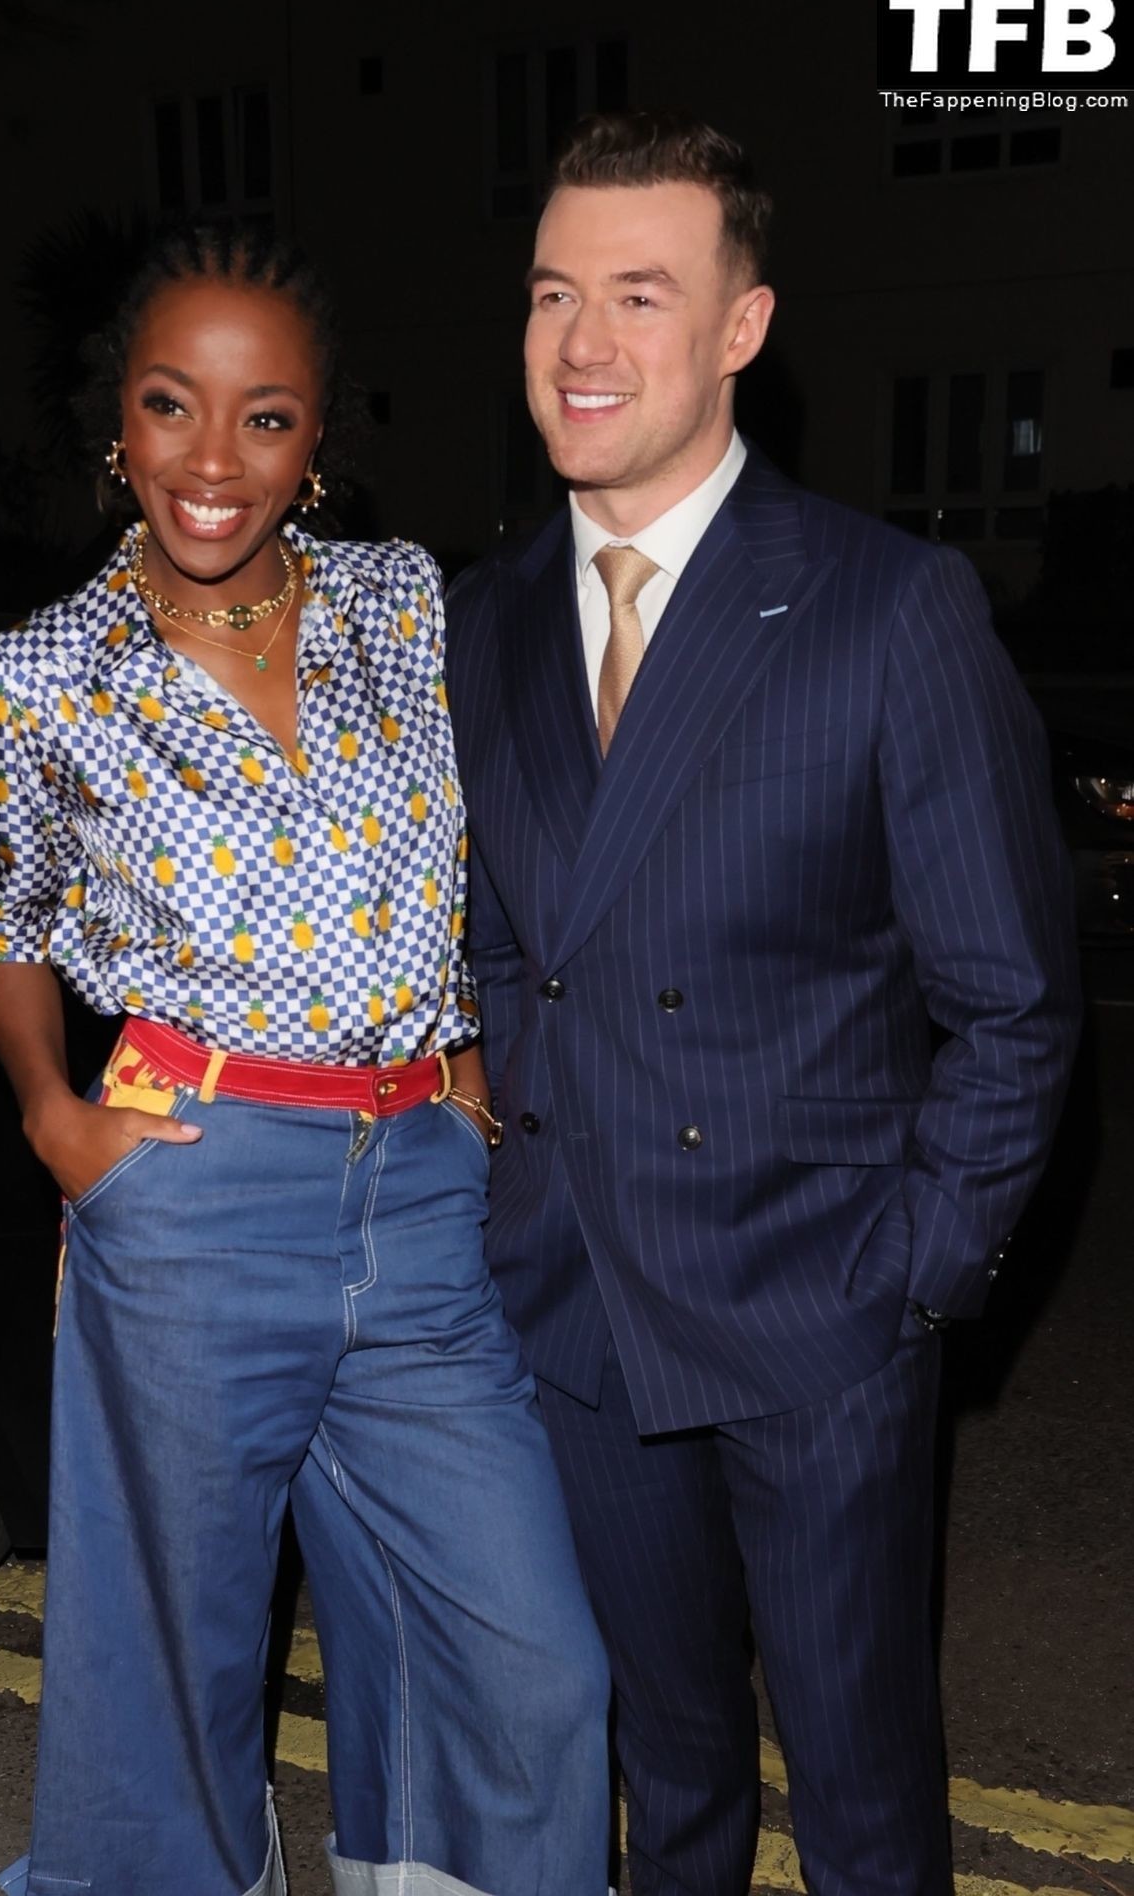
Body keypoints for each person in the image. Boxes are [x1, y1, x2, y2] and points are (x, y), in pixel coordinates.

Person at [0, 216, 610, 1896]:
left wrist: (463, 1069)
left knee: (528, 1664)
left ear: (319, 447)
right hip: (194, 1190)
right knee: (167, 1659)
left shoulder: (404, 606)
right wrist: (51, 1117)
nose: (211, 461)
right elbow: (7, 927)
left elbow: (485, 857)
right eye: (171, 405)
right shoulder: (29, 682)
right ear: (118, 423)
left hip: (421, 1201)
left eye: (265, 418)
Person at [446, 110, 1081, 1896]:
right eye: (552, 292)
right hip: (581, 1305)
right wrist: (521, 1158)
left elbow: (1014, 1004)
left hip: (819, 1312)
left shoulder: (887, 605)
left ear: (740, 326)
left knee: (863, 1801)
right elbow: (501, 938)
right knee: (668, 1769)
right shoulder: (484, 618)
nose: (581, 343)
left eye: (638, 294)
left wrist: (911, 1277)